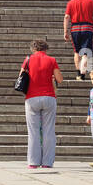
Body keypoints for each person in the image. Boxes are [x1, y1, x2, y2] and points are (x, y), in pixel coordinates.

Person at [20, 39, 63, 169]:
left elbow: (21, 76)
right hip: (49, 97)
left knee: (33, 131)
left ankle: (33, 162)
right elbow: (59, 79)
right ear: (46, 49)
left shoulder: (28, 60)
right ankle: (47, 163)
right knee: (48, 131)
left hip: (32, 97)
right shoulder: (52, 60)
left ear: (33, 48)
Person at [64, 0, 93, 81]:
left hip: (75, 28)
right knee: (85, 53)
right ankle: (82, 74)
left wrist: (65, 31)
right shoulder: (91, 3)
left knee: (77, 52)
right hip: (87, 28)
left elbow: (67, 17)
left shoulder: (71, 3)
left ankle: (78, 73)